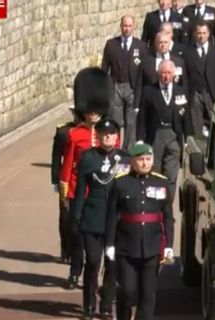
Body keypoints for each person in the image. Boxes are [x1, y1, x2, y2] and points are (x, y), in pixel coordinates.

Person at [59, 67, 117, 289]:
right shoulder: (75, 135)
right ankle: (75, 270)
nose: (92, 114)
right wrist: (65, 191)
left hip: (101, 196)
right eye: (89, 110)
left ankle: (93, 273)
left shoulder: (109, 136)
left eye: (95, 110)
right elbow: (68, 165)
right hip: (78, 192)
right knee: (76, 235)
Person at [105, 143, 174, 320]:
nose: (145, 163)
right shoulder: (120, 183)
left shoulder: (161, 182)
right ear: (133, 161)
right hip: (126, 246)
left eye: (148, 159)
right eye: (141, 159)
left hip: (152, 247)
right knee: (127, 290)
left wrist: (169, 245)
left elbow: (167, 217)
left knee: (148, 294)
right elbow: (112, 216)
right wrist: (109, 244)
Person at [72, 119, 129, 320]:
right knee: (93, 262)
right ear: (98, 136)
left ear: (117, 137)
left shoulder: (124, 159)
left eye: (111, 134)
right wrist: (76, 216)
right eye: (104, 134)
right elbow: (80, 191)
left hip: (115, 218)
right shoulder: (88, 158)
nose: (108, 137)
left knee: (112, 264)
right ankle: (88, 305)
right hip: (93, 216)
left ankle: (106, 305)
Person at [136, 60, 193, 199]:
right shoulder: (149, 91)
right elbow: (142, 117)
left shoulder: (181, 91)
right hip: (155, 136)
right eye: (163, 73)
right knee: (155, 172)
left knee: (171, 176)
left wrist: (189, 138)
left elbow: (186, 117)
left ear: (173, 74)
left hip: (174, 136)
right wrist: (139, 139)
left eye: (168, 73)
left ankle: (167, 206)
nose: (166, 76)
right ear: (158, 74)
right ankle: (154, 204)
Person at [101, 15, 145, 149]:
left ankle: (128, 152)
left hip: (133, 88)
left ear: (134, 27)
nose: (127, 29)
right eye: (125, 26)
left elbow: (143, 71)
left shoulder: (141, 46)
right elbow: (104, 68)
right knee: (115, 120)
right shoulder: (111, 44)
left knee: (131, 123)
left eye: (129, 26)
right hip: (116, 87)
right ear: (120, 26)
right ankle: (114, 149)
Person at [185, 21, 215, 137]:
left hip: (213, 94)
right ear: (194, 34)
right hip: (195, 94)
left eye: (204, 33)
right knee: (196, 126)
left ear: (209, 34)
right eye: (199, 33)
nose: (201, 36)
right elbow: (185, 76)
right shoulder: (187, 52)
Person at [50, 106, 79, 264]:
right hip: (67, 181)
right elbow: (56, 159)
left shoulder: (95, 132)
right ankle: (66, 249)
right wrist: (56, 180)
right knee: (66, 217)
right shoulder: (63, 132)